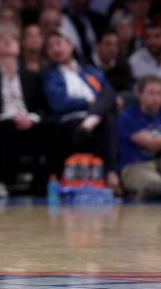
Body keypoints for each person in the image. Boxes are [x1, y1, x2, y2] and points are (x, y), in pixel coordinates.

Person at [0, 24, 50, 198]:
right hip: (1, 121)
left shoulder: (31, 76)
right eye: (2, 39)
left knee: (51, 127)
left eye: (12, 39)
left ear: (19, 47)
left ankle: (44, 181)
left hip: (28, 121)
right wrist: (9, 117)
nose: (7, 42)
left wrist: (32, 118)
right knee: (4, 127)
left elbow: (42, 106)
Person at [42, 28, 121, 193]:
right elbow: (59, 104)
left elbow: (108, 95)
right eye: (50, 46)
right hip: (70, 121)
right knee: (105, 117)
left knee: (108, 97)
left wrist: (97, 108)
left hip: (95, 118)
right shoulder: (50, 76)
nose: (56, 49)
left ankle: (90, 122)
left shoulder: (90, 71)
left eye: (59, 43)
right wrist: (88, 102)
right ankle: (111, 174)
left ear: (70, 45)